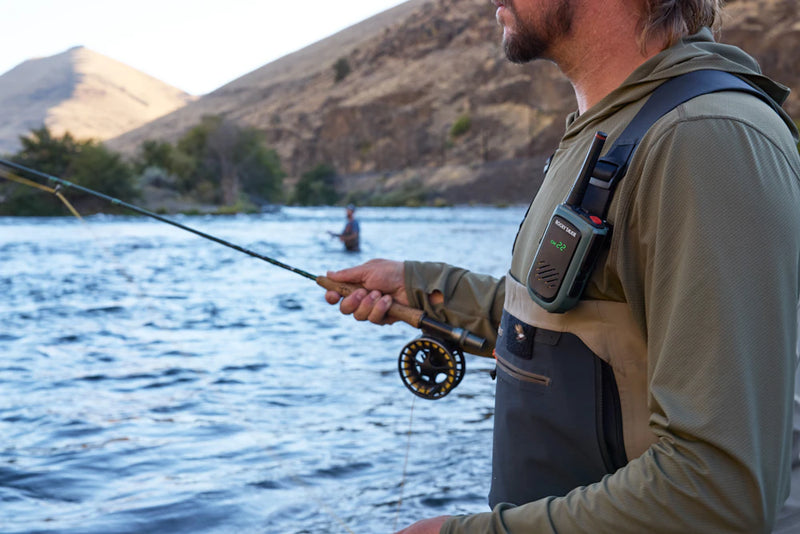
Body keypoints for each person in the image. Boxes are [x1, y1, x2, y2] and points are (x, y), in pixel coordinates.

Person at [325, 0, 800, 533]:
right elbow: (574, 326)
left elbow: (716, 491)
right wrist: (422, 287)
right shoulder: (611, 129)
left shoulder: (704, 138)